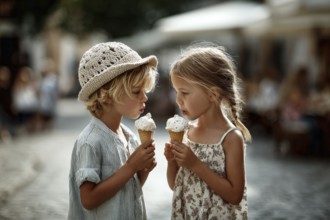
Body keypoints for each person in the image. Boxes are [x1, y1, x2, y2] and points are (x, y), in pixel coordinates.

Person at [68, 42, 158, 220]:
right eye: (136, 91)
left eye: (144, 90)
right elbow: (88, 199)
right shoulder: (90, 141)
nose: (145, 97)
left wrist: (143, 169)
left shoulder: (129, 136)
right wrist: (131, 166)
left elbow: (131, 187)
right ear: (108, 95)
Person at [164, 43, 252, 220]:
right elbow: (176, 185)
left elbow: (235, 196)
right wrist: (172, 162)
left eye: (185, 92)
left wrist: (195, 164)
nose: (178, 100)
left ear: (212, 94)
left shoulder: (230, 138)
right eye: (176, 92)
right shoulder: (186, 132)